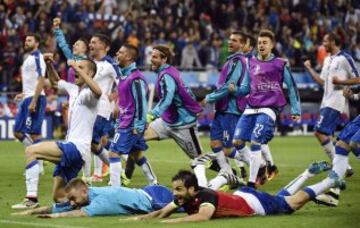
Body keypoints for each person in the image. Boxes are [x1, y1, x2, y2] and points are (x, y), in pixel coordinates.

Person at [11, 56, 101, 209]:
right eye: (76, 67)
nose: (75, 70)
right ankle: (91, 203)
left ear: (91, 73)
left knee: (31, 151)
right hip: (73, 149)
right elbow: (54, 82)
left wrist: (76, 67)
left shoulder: (89, 95)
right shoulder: (73, 89)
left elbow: (98, 90)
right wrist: (49, 65)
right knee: (59, 198)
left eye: (81, 67)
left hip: (77, 149)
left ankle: (31, 200)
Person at [129, 162, 341, 223]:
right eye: (174, 189)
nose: (174, 193)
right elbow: (163, 211)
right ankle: (306, 173)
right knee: (280, 199)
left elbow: (203, 216)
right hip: (244, 195)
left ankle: (329, 180)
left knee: (292, 204)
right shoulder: (185, 196)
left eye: (178, 189)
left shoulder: (205, 197)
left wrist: (173, 223)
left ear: (192, 189)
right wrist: (141, 219)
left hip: (255, 205)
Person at [230, 29, 301, 188]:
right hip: (251, 107)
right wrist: (235, 90)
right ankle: (262, 165)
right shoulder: (251, 62)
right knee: (237, 142)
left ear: (272, 45)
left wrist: (296, 110)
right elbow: (246, 87)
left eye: (265, 43)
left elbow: (291, 87)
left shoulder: (280, 64)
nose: (261, 45)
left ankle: (251, 183)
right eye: (259, 42)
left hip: (269, 108)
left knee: (256, 141)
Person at [193, 31, 248, 188]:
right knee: (215, 143)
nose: (230, 43)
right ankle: (227, 173)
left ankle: (259, 163)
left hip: (230, 110)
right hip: (222, 108)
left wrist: (208, 99)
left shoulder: (238, 61)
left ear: (242, 45)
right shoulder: (230, 61)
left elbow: (228, 87)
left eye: (235, 41)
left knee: (229, 148)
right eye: (230, 40)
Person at [303, 32, 358, 177]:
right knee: (333, 138)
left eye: (325, 42)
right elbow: (323, 82)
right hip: (325, 101)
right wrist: (309, 69)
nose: (323, 44)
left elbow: (358, 78)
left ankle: (340, 167)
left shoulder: (345, 58)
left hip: (335, 102)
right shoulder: (327, 60)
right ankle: (345, 167)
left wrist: (341, 82)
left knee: (319, 132)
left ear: (333, 41)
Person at [108, 44, 157, 186]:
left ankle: (115, 190)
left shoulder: (135, 78)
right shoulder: (125, 74)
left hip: (130, 125)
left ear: (129, 57)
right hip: (125, 122)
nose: (117, 53)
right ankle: (154, 183)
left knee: (113, 152)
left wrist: (139, 125)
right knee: (137, 155)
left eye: (121, 52)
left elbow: (141, 103)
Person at [11, 178, 173, 217]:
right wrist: (28, 213)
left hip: (156, 198)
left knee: (189, 204)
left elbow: (81, 213)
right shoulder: (86, 196)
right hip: (145, 192)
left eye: (73, 198)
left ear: (84, 191)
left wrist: (54, 217)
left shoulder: (101, 199)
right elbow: (57, 207)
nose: (72, 203)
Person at [88, 33, 121, 182]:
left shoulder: (110, 64)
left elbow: (123, 84)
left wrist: (117, 103)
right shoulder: (91, 63)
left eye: (94, 42)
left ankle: (107, 171)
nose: (90, 45)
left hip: (101, 108)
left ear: (104, 46)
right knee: (95, 143)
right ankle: (113, 170)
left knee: (95, 142)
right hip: (87, 107)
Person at [13, 33, 46, 173]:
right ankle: (39, 160)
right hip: (29, 96)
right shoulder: (29, 58)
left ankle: (37, 164)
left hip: (35, 98)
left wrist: (33, 100)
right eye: (26, 40)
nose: (26, 42)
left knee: (33, 133)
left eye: (30, 40)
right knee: (19, 132)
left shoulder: (38, 57)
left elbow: (41, 79)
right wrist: (24, 93)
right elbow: (31, 80)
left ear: (37, 43)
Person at [52, 17, 88, 82]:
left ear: (84, 49)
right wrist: (57, 28)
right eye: (74, 44)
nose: (74, 46)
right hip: (71, 90)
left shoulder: (89, 63)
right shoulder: (71, 57)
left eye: (77, 45)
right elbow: (63, 45)